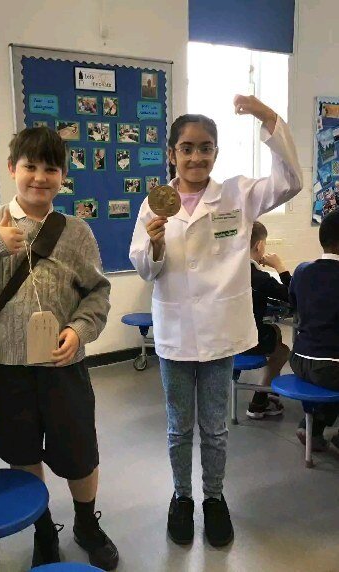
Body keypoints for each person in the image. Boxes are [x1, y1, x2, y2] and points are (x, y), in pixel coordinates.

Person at [129, 95, 302, 548]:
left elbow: (291, 181)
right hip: (175, 333)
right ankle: (182, 497)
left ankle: (214, 497)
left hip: (221, 331)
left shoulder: (237, 195)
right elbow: (144, 267)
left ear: (216, 152)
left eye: (205, 147)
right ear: (172, 154)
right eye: (187, 148)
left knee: (215, 426)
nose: (196, 156)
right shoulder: (153, 206)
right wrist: (155, 246)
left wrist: (268, 118)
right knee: (178, 426)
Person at [0, 126, 118, 571]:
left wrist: (79, 330)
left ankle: (86, 524)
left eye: (51, 168)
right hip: (7, 368)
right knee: (22, 453)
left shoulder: (76, 232)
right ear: (12, 169)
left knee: (79, 453)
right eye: (30, 166)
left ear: (63, 176)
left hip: (64, 366)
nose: (40, 177)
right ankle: (43, 529)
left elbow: (98, 292)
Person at [289, 209, 339, 453]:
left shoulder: (301, 271)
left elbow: (293, 305)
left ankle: (313, 428)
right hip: (329, 366)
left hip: (298, 360)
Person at [245, 221, 291, 419]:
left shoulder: (227, 270)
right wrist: (280, 267)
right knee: (283, 351)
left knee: (274, 331)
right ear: (260, 245)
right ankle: (258, 402)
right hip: (247, 341)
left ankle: (269, 392)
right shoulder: (260, 278)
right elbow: (292, 295)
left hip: (222, 336)